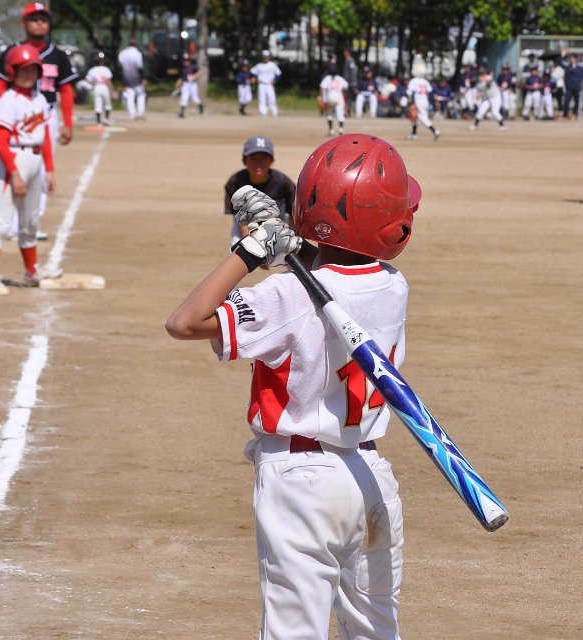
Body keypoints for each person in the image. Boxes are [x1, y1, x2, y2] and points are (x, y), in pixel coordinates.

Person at [166, 132, 417, 640]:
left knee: (294, 631)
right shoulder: (393, 284)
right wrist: (296, 246)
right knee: (375, 631)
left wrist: (252, 249)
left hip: (299, 482)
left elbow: (185, 321)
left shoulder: (285, 294)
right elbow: (337, 268)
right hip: (370, 477)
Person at [0, 2, 79, 242]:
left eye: (44, 19)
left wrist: (68, 123)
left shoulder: (58, 55)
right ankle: (11, 222)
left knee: (42, 171)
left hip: (46, 114)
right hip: (18, 117)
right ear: (24, 23)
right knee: (16, 166)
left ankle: (31, 221)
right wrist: (0, 115)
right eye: (34, 19)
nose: (40, 23)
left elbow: (66, 90)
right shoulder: (12, 52)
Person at [0, 45, 60, 295]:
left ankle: (31, 272)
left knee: (31, 222)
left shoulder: (39, 99)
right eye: (24, 70)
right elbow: (0, 141)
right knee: (2, 223)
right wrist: (14, 174)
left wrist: (49, 170)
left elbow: (45, 138)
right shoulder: (8, 101)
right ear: (12, 71)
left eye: (33, 70)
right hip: (14, 160)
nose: (29, 75)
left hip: (35, 160)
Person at [223, 136, 296, 246]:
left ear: (271, 161)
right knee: (239, 253)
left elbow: (293, 214)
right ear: (244, 160)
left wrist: (290, 241)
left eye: (264, 158)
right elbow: (242, 223)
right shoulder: (235, 182)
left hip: (278, 225)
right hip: (246, 226)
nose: (258, 163)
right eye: (253, 158)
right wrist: (249, 247)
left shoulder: (284, 182)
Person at [559, 50, 583, 120]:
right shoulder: (567, 66)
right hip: (569, 88)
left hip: (577, 87)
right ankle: (565, 114)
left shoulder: (580, 67)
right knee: (566, 101)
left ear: (576, 59)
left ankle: (575, 114)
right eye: (570, 58)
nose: (571, 60)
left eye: (572, 58)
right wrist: (562, 55)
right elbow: (559, 62)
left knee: (577, 102)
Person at [118, 38, 146, 120]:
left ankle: (132, 114)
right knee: (141, 95)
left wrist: (122, 79)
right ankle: (140, 113)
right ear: (136, 45)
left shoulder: (123, 53)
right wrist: (142, 78)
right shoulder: (138, 54)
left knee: (130, 96)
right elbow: (140, 67)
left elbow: (120, 67)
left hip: (126, 78)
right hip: (137, 78)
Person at [406, 72, 440, 140]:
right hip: (425, 101)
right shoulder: (425, 81)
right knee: (414, 118)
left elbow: (409, 92)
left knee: (423, 118)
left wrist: (410, 103)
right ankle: (414, 134)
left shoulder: (413, 81)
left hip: (417, 101)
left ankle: (435, 131)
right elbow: (430, 91)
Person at [470, 66, 506, 131]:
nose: (481, 75)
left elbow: (489, 82)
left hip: (496, 97)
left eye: (482, 73)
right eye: (480, 74)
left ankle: (502, 126)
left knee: (495, 112)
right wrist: (478, 96)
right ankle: (475, 125)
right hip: (488, 98)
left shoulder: (488, 77)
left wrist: (486, 79)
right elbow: (480, 91)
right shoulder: (479, 83)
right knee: (481, 110)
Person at [84, 52, 114, 125]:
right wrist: (111, 92)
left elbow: (87, 80)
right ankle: (106, 119)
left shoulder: (92, 70)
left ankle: (98, 122)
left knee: (98, 105)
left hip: (97, 87)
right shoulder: (105, 69)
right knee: (107, 104)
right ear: (102, 61)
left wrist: (93, 82)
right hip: (104, 87)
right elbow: (109, 81)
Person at [318, 64, 348, 136]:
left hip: (330, 96)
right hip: (338, 96)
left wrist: (321, 96)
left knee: (329, 113)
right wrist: (344, 95)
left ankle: (331, 130)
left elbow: (322, 87)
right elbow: (346, 86)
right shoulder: (340, 78)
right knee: (340, 113)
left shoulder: (327, 78)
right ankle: (341, 129)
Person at [250, 50, 281, 117]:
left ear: (269, 57)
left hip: (269, 84)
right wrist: (256, 79)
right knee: (262, 99)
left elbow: (278, 74)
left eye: (267, 57)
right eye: (264, 57)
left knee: (272, 98)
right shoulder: (259, 65)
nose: (266, 58)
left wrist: (275, 80)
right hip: (261, 84)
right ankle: (263, 113)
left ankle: (274, 112)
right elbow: (252, 72)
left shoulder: (272, 65)